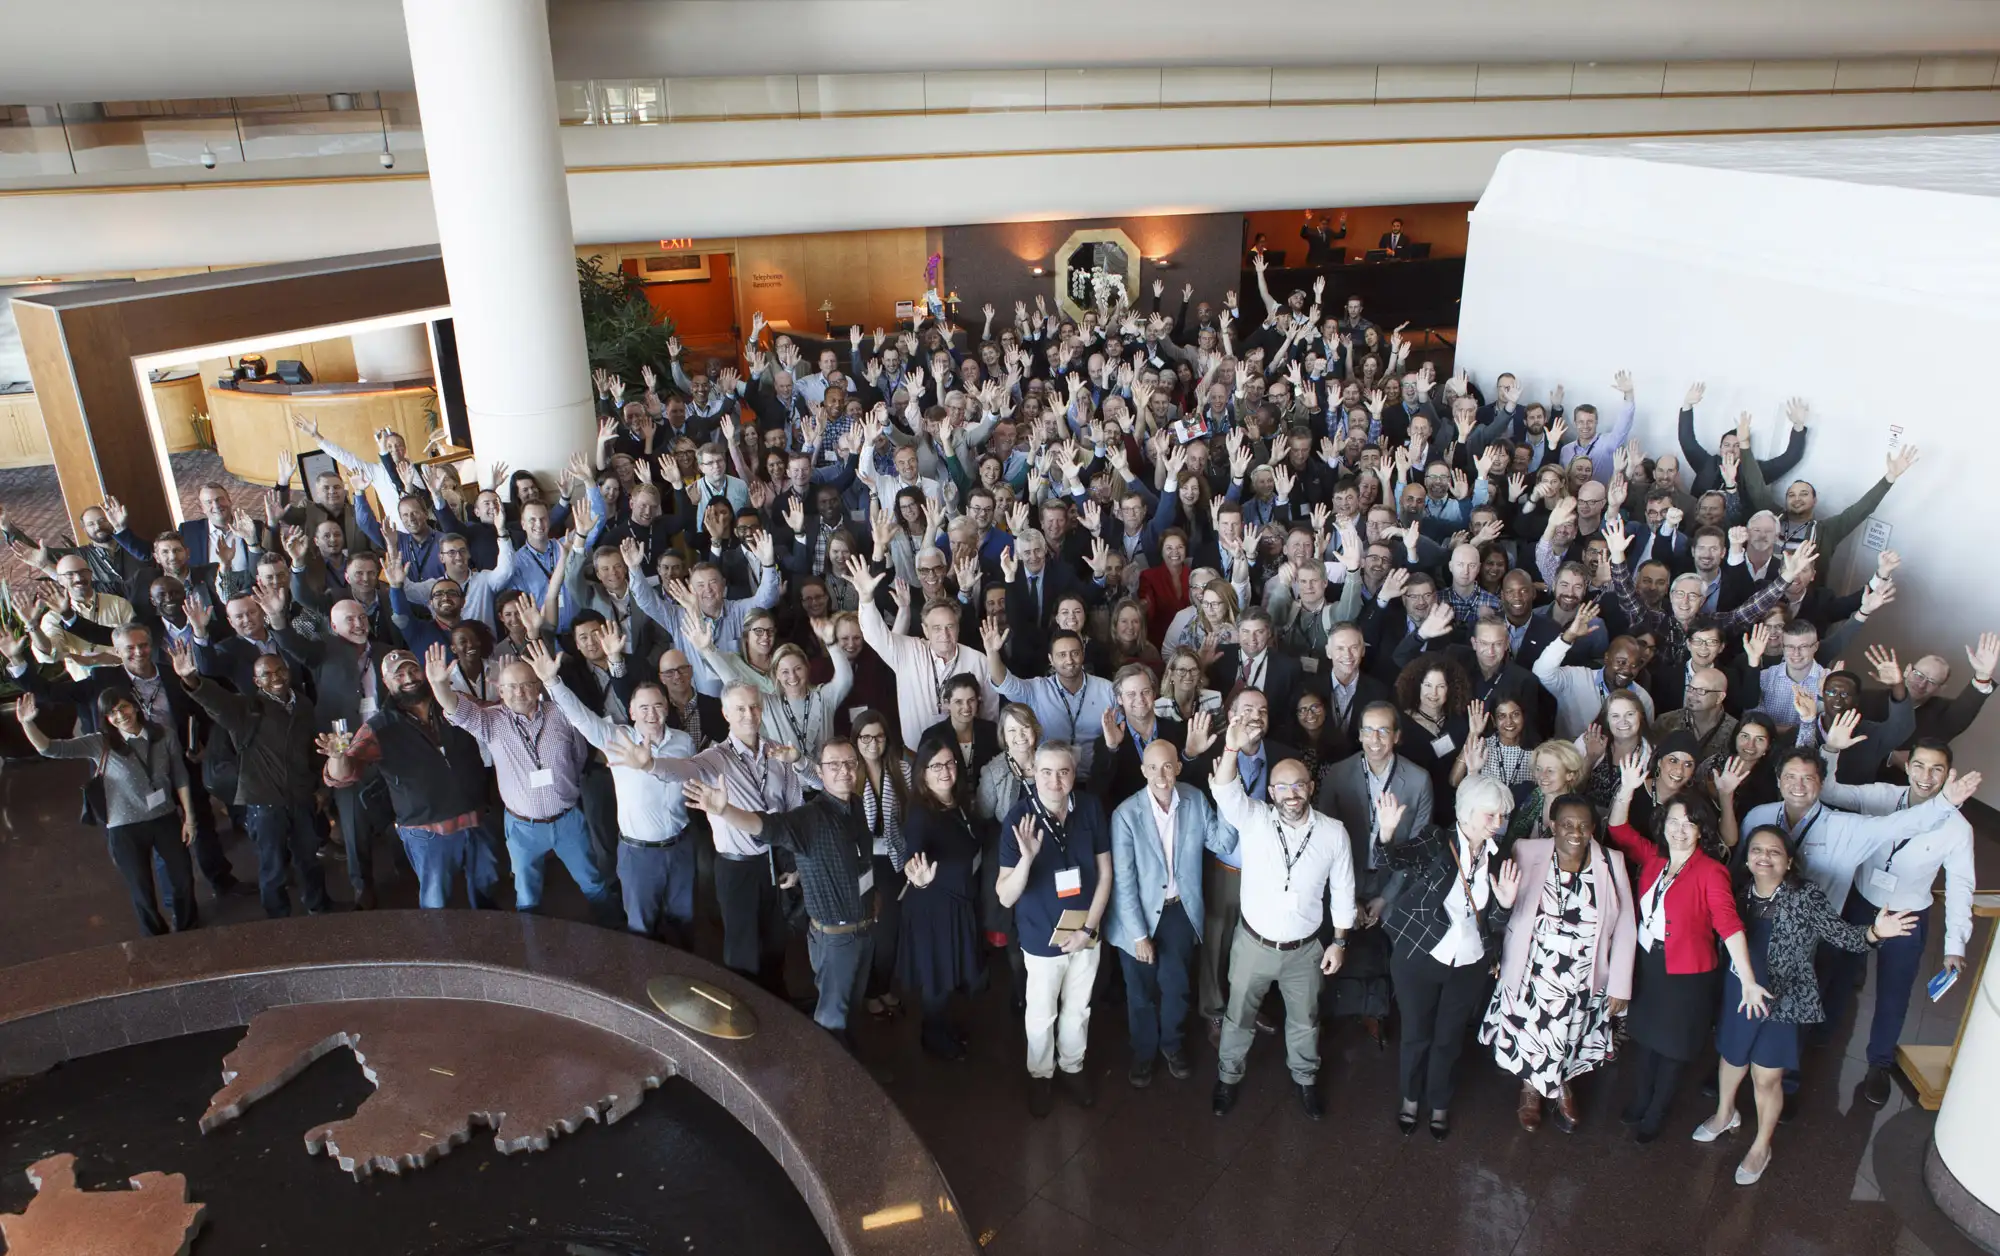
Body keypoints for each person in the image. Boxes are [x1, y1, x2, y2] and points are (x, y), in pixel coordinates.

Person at [1693, 825, 1914, 1185]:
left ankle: (1761, 1146)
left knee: (1766, 1077)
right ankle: (1724, 1113)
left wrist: (1875, 932)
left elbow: (1841, 935)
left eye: (1774, 852)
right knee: (1731, 1058)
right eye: (1757, 850)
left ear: (1789, 861)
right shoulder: (1738, 892)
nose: (1764, 857)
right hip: (1740, 991)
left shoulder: (1805, 896)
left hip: (1783, 998)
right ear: (1747, 858)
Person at [1813, 722, 1980, 1107]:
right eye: (1919, 766)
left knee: (1894, 992)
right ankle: (1821, 1031)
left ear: (1948, 774)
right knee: (1838, 969)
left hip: (1908, 914)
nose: (1926, 776)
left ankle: (1879, 1063)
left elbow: (1960, 887)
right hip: (1863, 900)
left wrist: (1956, 944)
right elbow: (1833, 790)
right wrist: (1832, 751)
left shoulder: (1959, 829)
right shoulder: (1883, 796)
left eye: (1937, 769)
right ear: (1907, 767)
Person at [1606, 753, 1767, 1143]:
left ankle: (1657, 1110)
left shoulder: (1711, 872)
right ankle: (1641, 1096)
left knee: (1673, 1046)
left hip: (1688, 974)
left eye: (1689, 823)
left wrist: (1747, 979)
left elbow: (1729, 926)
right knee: (1644, 1037)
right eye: (1673, 822)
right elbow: (1619, 831)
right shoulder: (1655, 858)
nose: (1679, 830)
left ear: (1700, 830)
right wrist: (1626, 790)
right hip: (1650, 964)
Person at [677, 739, 879, 1046]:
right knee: (831, 1020)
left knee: (852, 1007)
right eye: (834, 765)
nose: (844, 772)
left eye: (850, 764)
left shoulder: (857, 806)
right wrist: (726, 811)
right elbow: (765, 826)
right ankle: (830, 1083)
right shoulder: (809, 818)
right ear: (820, 774)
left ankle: (853, 1070)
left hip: (863, 929)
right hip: (837, 938)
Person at [1208, 712, 1355, 1119]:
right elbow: (1223, 789)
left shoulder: (1333, 832)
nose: (1291, 793)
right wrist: (1233, 746)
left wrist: (1340, 942)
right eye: (1282, 786)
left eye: (1298, 785)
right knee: (1238, 1017)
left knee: (1305, 1020)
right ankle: (1227, 1076)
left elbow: (1344, 890)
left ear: (1310, 787)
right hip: (1253, 945)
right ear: (1270, 791)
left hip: (1305, 951)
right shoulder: (1253, 818)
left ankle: (1305, 1079)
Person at [1481, 794, 1635, 1133]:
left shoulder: (1612, 862)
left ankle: (1562, 1083)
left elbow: (1625, 926)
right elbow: (1502, 904)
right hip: (1532, 970)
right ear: (1553, 825)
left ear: (1594, 828)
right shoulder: (1527, 850)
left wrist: (1621, 983)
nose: (1575, 832)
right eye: (1567, 824)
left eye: (1583, 825)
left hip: (1583, 975)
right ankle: (1531, 1090)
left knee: (1572, 1034)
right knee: (1532, 1034)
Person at [432, 643, 617, 923]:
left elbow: (579, 755)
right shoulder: (490, 721)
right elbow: (458, 711)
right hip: (522, 828)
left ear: (538, 686)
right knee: (527, 896)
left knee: (594, 883)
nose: (520, 692)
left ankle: (616, 934)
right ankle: (530, 949)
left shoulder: (562, 712)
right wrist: (439, 686)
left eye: (527, 684)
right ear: (500, 691)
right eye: (512, 687)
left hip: (568, 820)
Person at [1379, 776, 1520, 1140]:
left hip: (1469, 962)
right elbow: (1394, 861)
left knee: (1449, 1038)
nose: (1498, 823)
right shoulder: (1437, 839)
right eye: (1492, 815)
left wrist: (1505, 903)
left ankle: (1439, 1101)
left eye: (1502, 816)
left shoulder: (1499, 856)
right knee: (1416, 1034)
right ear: (1469, 813)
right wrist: (1386, 834)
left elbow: (1494, 923)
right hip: (1421, 955)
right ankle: (1411, 1098)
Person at [319, 647, 503, 911]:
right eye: (399, 675)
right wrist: (336, 755)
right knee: (436, 902)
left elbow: (496, 714)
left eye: (413, 669)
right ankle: (439, 950)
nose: (408, 678)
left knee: (486, 888)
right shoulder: (378, 727)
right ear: (386, 683)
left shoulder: (454, 702)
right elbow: (342, 776)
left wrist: (513, 687)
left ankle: (489, 939)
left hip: (476, 817)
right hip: (427, 832)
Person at [542, 645, 701, 943]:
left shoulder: (683, 742)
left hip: (681, 846)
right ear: (631, 712)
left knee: (684, 921)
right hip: (640, 854)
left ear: (666, 707)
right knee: (641, 928)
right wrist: (553, 683)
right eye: (643, 708)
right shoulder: (617, 738)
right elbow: (581, 717)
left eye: (657, 706)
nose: (652, 714)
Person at [166, 642, 329, 920]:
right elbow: (215, 700)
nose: (275, 677)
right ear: (256, 681)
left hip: (301, 797)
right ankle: (278, 919)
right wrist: (190, 678)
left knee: (309, 858)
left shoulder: (302, 704)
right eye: (267, 674)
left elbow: (312, 750)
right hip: (265, 803)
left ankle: (319, 905)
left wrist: (321, 788)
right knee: (273, 866)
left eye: (279, 671)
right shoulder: (245, 709)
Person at [16, 690, 196, 936]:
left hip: (164, 818)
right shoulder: (100, 742)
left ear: (135, 706)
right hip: (124, 828)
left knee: (183, 878)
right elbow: (50, 749)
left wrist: (189, 818)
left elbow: (180, 776)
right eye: (112, 713)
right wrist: (27, 723)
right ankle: (156, 938)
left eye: (124, 707)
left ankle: (188, 927)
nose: (120, 715)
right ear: (106, 719)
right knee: (140, 888)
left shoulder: (164, 735)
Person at [1108, 738, 1235, 1088]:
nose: (1162, 775)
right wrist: (1138, 935)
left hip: (1178, 911)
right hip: (1135, 918)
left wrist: (1224, 797)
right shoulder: (1125, 815)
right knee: (1140, 992)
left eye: (1168, 766)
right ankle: (1144, 1053)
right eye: (1153, 767)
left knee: (1176, 988)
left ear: (1178, 766)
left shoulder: (1194, 799)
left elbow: (1223, 843)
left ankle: (1172, 1045)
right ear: (1143, 771)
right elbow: (1124, 882)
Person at [997, 741, 1112, 1117]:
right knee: (1041, 1012)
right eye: (1046, 772)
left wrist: (1089, 929)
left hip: (1086, 932)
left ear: (1073, 774)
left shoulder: (1090, 807)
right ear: (1033, 773)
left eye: (1063, 771)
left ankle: (1072, 1067)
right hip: (1040, 937)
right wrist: (1026, 860)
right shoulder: (1018, 818)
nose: (1054, 780)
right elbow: (1005, 896)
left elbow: (1106, 873)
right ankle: (1040, 1074)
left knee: (1079, 1008)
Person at [899, 729, 985, 1060]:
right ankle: (931, 1035)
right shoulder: (921, 813)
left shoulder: (957, 801)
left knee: (950, 974)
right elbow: (914, 857)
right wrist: (918, 878)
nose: (946, 771)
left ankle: (942, 1026)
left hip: (958, 902)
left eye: (949, 763)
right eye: (936, 766)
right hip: (934, 909)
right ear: (922, 772)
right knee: (938, 976)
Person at [853, 708, 913, 1020]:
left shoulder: (901, 770)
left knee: (889, 932)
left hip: (892, 861)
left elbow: (914, 816)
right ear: (856, 740)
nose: (873, 743)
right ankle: (868, 992)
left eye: (878, 736)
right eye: (865, 737)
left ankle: (883, 986)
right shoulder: (848, 772)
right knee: (867, 931)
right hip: (860, 864)